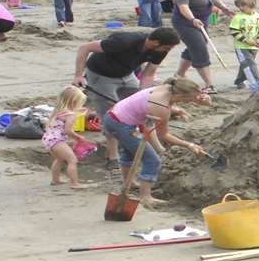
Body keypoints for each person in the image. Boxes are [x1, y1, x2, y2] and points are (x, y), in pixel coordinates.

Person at [73, 28, 179, 167]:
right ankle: (112, 157)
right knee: (109, 114)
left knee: (144, 109)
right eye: (166, 47)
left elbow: (148, 74)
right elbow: (85, 48)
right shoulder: (124, 42)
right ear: (155, 42)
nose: (167, 51)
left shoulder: (161, 50)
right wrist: (78, 75)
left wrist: (143, 97)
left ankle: (159, 149)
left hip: (127, 75)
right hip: (101, 75)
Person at [102, 78, 210, 208]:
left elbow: (166, 104)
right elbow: (163, 135)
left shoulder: (167, 86)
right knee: (152, 160)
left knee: (130, 152)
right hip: (120, 124)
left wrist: (193, 103)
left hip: (113, 115)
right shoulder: (161, 107)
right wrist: (189, 145)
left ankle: (129, 183)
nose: (188, 103)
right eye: (188, 100)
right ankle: (146, 197)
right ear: (180, 95)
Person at [169, 0, 227, 90]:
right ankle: (209, 84)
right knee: (199, 48)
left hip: (203, 19)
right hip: (185, 22)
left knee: (194, 47)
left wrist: (224, 8)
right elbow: (183, 7)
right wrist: (192, 19)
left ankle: (179, 74)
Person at [42, 86, 97, 188]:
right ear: (74, 102)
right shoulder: (71, 115)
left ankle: (55, 180)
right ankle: (74, 183)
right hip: (57, 140)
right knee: (72, 160)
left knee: (59, 159)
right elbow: (67, 131)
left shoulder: (59, 110)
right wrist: (78, 137)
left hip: (48, 139)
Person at [227, 0, 259, 92]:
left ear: (251, 4)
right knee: (250, 64)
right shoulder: (238, 17)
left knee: (245, 65)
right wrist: (245, 40)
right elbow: (234, 31)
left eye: (242, 5)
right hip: (241, 46)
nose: (240, 8)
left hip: (254, 47)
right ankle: (256, 84)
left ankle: (239, 81)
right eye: (239, 6)